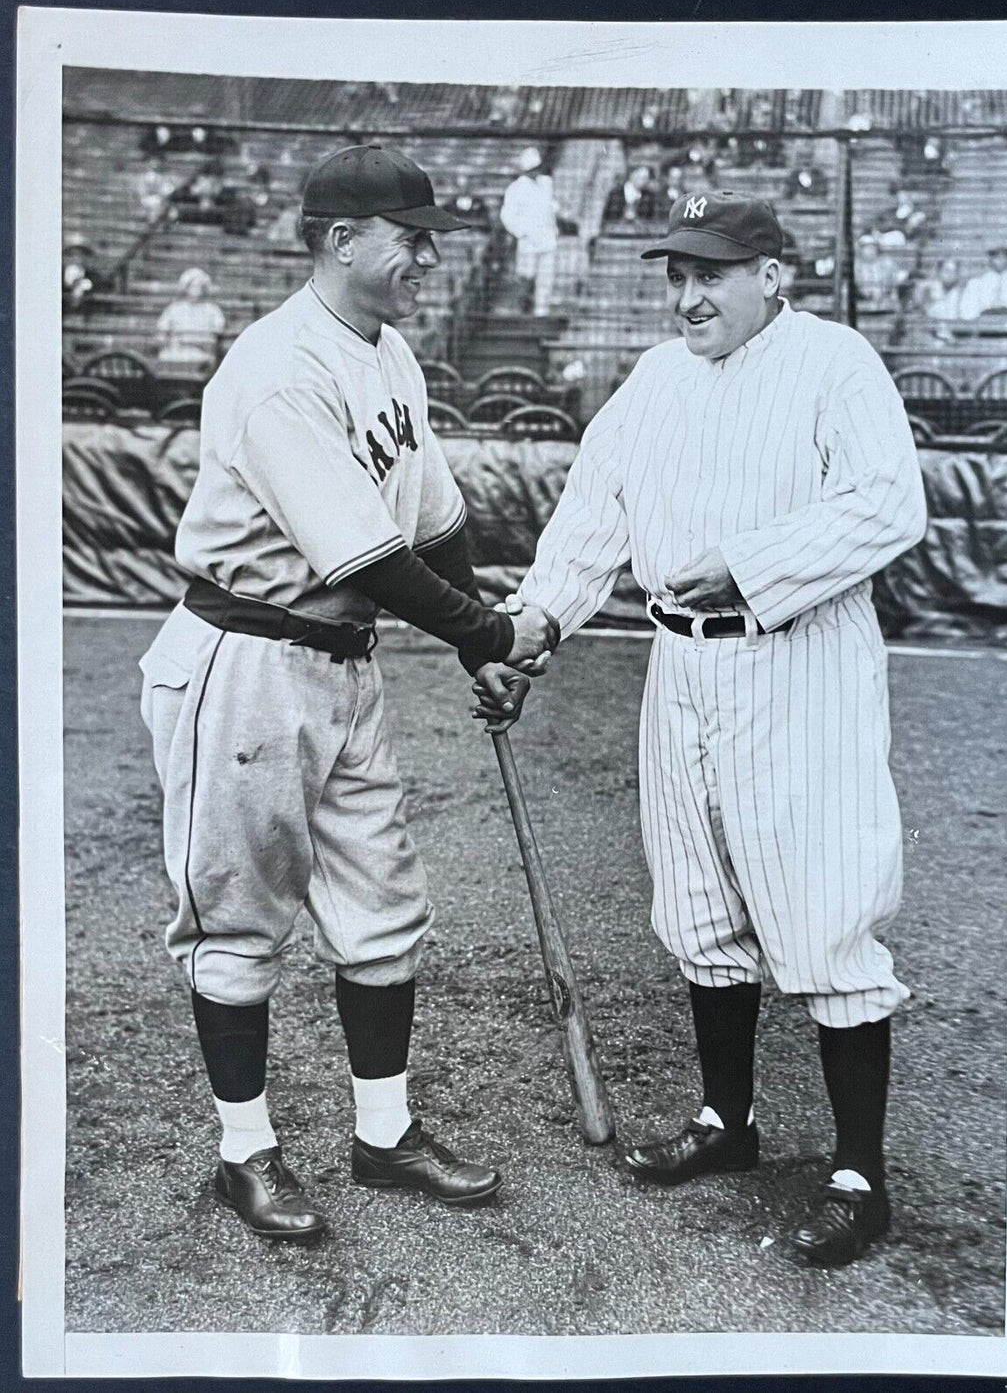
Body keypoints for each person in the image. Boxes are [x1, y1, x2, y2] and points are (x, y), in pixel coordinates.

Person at [139, 143, 556, 1244]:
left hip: (343, 667)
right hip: (245, 661)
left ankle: (384, 1136)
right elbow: (361, 558)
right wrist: (493, 628)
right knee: (237, 921)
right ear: (340, 241)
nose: (427, 255)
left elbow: (434, 520)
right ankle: (246, 1153)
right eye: (411, 237)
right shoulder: (279, 368)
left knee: (382, 911)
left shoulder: (390, 352)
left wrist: (479, 650)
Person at [509, 188, 927, 1267]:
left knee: (825, 905)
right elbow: (592, 515)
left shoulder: (836, 363)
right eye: (677, 275)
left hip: (795, 655)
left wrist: (750, 562)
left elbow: (890, 503)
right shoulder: (655, 377)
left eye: (711, 273)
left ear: (772, 275)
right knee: (694, 898)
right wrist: (539, 618)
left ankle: (857, 1174)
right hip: (678, 661)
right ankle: (728, 1123)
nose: (687, 295)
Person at [499, 146, 559, 315]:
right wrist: (522, 232)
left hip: (547, 239)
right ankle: (522, 310)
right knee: (526, 276)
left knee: (546, 279)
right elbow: (507, 217)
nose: (535, 172)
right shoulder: (515, 189)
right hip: (528, 241)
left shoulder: (546, 184)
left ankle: (541, 312)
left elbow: (551, 205)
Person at [155, 268, 227, 372]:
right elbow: (161, 333)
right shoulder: (174, 308)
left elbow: (216, 336)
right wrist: (167, 341)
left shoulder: (213, 310)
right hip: (176, 351)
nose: (196, 289)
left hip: (201, 352)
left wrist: (193, 341)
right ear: (186, 287)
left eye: (200, 286)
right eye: (193, 286)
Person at [957, 245, 1007, 319]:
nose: (1002, 259)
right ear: (989, 258)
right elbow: (966, 314)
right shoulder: (976, 283)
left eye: (1006, 255)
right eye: (996, 255)